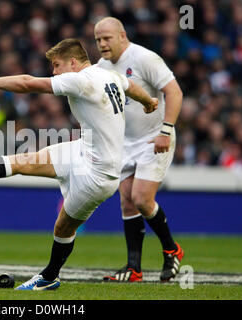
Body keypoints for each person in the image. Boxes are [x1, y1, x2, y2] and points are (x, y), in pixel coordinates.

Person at [0, 38, 158, 290]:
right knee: (22, 161)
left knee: (63, 226)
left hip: (99, 174)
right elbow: (130, 86)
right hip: (82, 149)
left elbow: (28, 83)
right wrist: (148, 101)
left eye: (56, 65)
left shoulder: (81, 79)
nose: (54, 72)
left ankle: (50, 276)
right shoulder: (109, 75)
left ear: (73, 62)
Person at [94, 17, 184, 282]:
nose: (101, 44)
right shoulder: (100, 68)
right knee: (127, 200)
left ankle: (172, 250)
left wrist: (166, 130)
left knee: (143, 198)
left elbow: (174, 92)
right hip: (125, 142)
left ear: (122, 35)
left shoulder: (145, 58)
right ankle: (134, 268)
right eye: (98, 39)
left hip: (154, 138)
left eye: (106, 38)